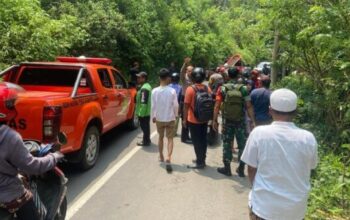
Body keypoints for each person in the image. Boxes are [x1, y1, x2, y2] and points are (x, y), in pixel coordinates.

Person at [241, 88, 318, 220]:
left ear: (270, 110)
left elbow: (251, 169)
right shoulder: (308, 137)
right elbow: (311, 166)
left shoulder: (259, 133)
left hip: (264, 208)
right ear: (295, 112)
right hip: (295, 210)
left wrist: (258, 189)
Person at [0, 82, 63, 220]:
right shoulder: (9, 137)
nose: (14, 106)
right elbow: (34, 167)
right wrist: (55, 156)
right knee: (28, 203)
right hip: (7, 195)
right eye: (10, 104)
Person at [213, 67, 255, 177]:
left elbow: (217, 106)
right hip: (240, 121)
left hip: (227, 121)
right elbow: (249, 106)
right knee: (242, 145)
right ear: (238, 76)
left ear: (228, 76)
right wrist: (253, 121)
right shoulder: (244, 89)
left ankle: (227, 169)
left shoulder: (222, 89)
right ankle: (241, 169)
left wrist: (214, 120)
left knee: (227, 143)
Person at [183, 67, 212, 169]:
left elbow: (186, 106)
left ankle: (200, 162)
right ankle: (201, 158)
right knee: (203, 140)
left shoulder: (190, 89)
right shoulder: (207, 88)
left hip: (193, 120)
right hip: (204, 119)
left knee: (196, 141)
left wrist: (184, 119)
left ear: (193, 77)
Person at [152, 68, 179, 173]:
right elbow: (176, 105)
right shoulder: (172, 91)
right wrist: (176, 115)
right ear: (168, 78)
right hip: (170, 118)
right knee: (170, 139)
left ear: (159, 78)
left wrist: (153, 116)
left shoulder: (154, 91)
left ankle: (161, 155)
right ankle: (168, 157)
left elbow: (153, 106)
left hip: (159, 118)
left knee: (160, 137)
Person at [135, 72, 152, 146]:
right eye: (138, 77)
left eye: (139, 77)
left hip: (143, 112)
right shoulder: (146, 86)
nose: (138, 79)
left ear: (144, 78)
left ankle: (145, 141)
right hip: (146, 112)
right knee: (146, 127)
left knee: (144, 127)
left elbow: (143, 102)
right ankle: (147, 140)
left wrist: (141, 114)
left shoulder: (144, 88)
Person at [180, 57, 193, 143]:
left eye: (191, 71)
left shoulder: (194, 78)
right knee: (184, 119)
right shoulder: (184, 78)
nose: (190, 72)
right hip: (184, 99)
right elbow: (181, 72)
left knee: (190, 119)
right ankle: (184, 137)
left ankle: (187, 135)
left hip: (192, 100)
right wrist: (185, 64)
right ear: (186, 71)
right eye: (188, 71)